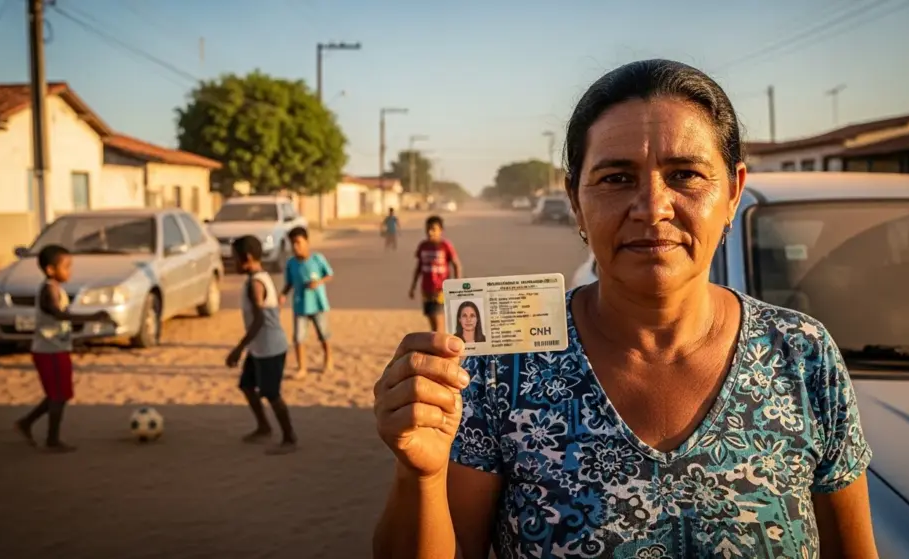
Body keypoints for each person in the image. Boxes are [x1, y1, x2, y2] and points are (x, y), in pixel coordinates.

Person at [373, 60, 878, 558]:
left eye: (685, 174)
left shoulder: (802, 355)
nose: (652, 206)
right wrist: (420, 475)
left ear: (733, 192)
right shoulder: (502, 366)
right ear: (575, 200)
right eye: (616, 178)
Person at [14, 244, 113, 453]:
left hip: (57, 348)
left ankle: (26, 423)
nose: (70, 271)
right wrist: (93, 317)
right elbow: (59, 316)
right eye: (66, 267)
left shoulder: (57, 290)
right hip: (47, 351)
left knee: (60, 394)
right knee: (58, 395)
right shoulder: (47, 290)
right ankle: (52, 440)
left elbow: (62, 323)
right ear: (50, 270)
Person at [225, 235, 297, 455]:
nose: (232, 263)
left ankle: (289, 438)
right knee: (247, 385)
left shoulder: (256, 284)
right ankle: (264, 427)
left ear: (246, 258)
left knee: (272, 394)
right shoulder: (257, 277)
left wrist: (238, 348)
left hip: (270, 348)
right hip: (260, 347)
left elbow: (259, 321)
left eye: (235, 258)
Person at [281, 226, 334, 378]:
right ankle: (302, 367)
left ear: (307, 242)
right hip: (300, 305)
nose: (295, 247)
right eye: (293, 243)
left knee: (323, 334)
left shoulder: (317, 259)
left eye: (298, 242)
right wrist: (282, 295)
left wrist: (318, 282)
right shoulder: (291, 264)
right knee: (298, 338)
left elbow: (329, 274)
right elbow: (288, 283)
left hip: (317, 304)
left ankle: (328, 359)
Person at [409, 215, 462, 333]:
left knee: (438, 322)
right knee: (431, 320)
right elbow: (419, 267)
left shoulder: (445, 246)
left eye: (433, 229)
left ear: (441, 230)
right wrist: (413, 287)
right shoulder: (423, 246)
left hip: (440, 290)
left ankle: (439, 348)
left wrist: (457, 285)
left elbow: (456, 264)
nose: (430, 232)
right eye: (427, 229)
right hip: (426, 290)